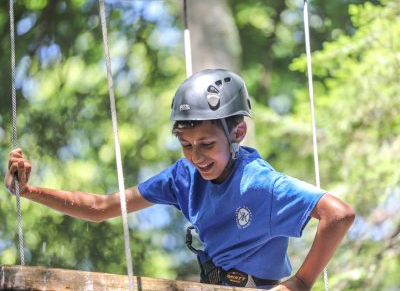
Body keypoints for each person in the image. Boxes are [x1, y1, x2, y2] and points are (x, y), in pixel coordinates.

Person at [5, 69, 355, 290]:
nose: (196, 156)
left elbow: (338, 214)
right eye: (186, 145)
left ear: (238, 133)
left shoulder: (259, 183)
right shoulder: (183, 176)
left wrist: (300, 283)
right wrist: (29, 191)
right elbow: (101, 207)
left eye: (207, 144)